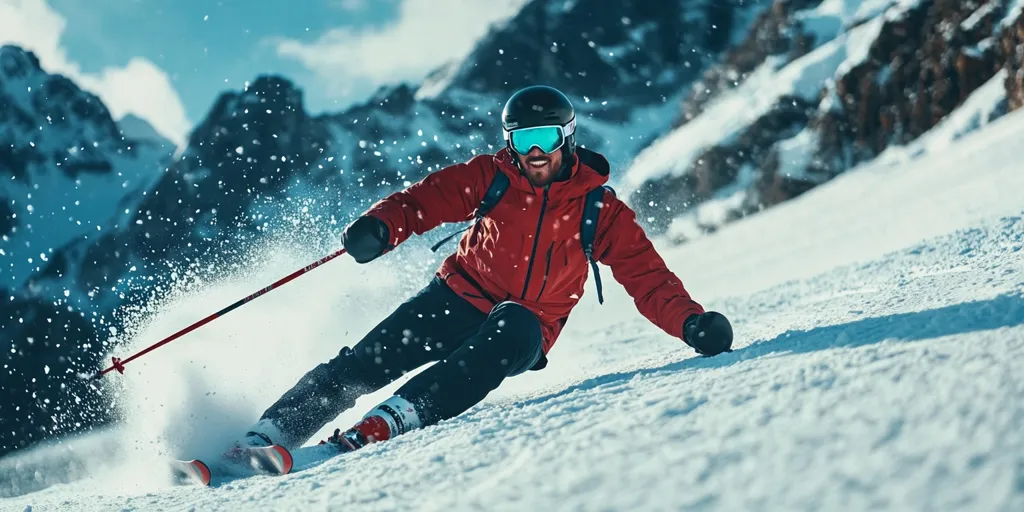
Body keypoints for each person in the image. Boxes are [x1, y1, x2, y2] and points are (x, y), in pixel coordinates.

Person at [233, 85, 733, 454]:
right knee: (368, 360)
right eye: (523, 139)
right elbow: (423, 202)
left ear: (567, 139)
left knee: (511, 326)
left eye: (545, 138)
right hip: (457, 296)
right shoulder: (492, 177)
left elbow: (648, 278)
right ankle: (270, 432)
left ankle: (391, 420)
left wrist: (691, 323)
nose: (534, 152)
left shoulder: (599, 211)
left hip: (527, 326)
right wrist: (381, 227)